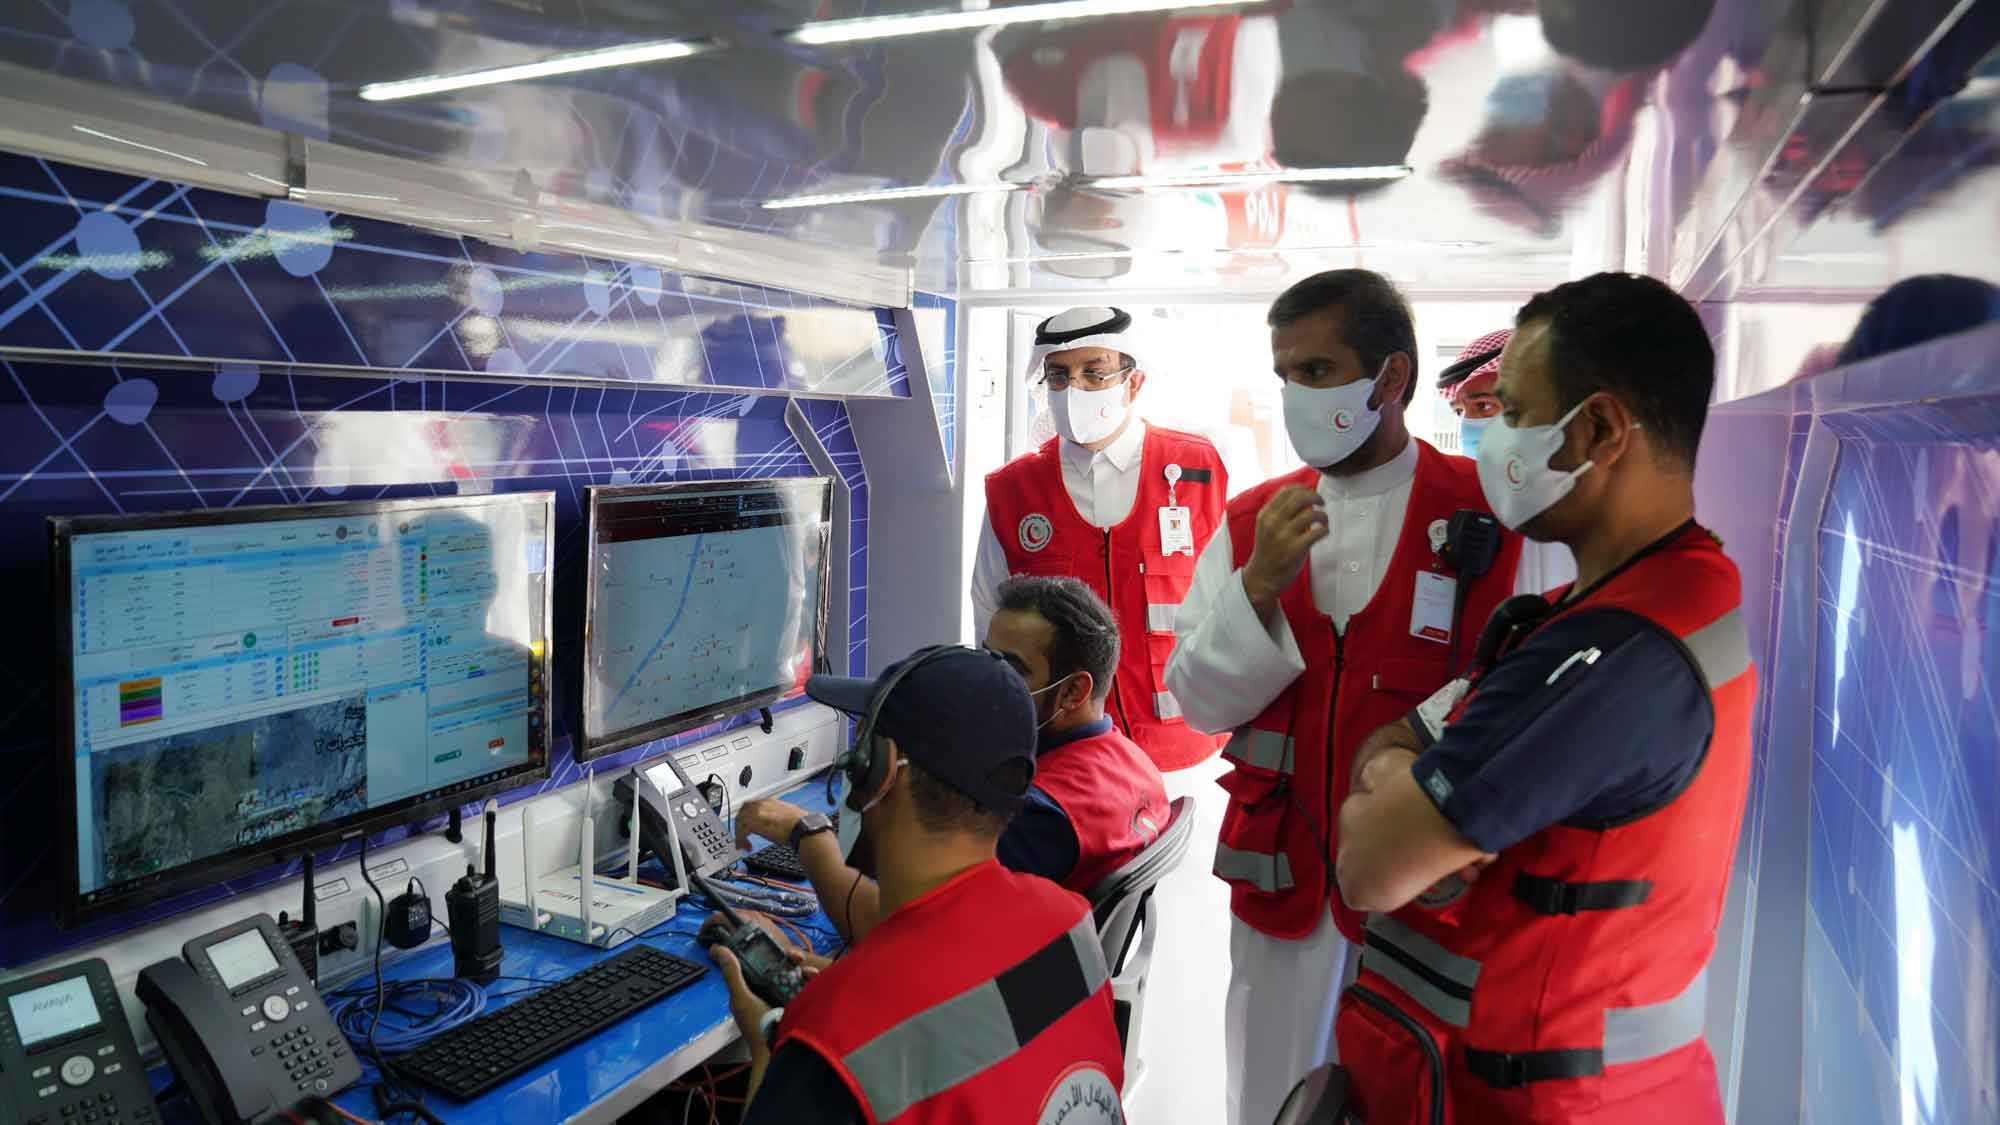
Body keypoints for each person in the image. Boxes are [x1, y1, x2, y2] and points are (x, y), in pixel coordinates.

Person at [1331, 272, 1755, 1124]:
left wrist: (1397, 788)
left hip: (1565, 1105)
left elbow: (1369, 866)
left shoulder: (1612, 654)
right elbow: (1390, 744)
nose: (1495, 440)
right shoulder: (1642, 597)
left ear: (1598, 429)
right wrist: (1402, 773)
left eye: (1516, 413)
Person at [1164, 269, 1529, 1125]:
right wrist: (1255, 588)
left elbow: (1524, 698)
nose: (1295, 393)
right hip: (1283, 898)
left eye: (1318, 370)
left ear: (1392, 378)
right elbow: (1195, 701)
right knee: (1269, 1102)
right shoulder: (1253, 521)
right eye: (1284, 372)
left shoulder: (1490, 518)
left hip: (1424, 902)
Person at [711, 646, 1126, 1123]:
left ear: (881, 771)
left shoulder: (832, 1044)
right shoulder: (1070, 924)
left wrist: (771, 1047)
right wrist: (861, 998)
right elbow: (982, 1035)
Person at [736, 575, 1169, 917]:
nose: (988, 678)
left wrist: (809, 838)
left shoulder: (1041, 815)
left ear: (1073, 692)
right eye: (986, 656)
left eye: (1010, 668)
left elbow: (903, 931)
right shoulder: (1133, 763)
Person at [973, 306, 1230, 776]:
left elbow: (1246, 602)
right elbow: (990, 620)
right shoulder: (1012, 490)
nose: (1075, 390)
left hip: (1189, 753)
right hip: (1063, 758)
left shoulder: (1203, 469)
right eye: (1059, 376)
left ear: (1133, 384)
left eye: (1094, 374)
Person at [1441, 330, 1578, 594]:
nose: (1468, 424)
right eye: (1460, 412)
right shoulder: (1464, 504)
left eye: (1483, 406)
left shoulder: (1586, 497)